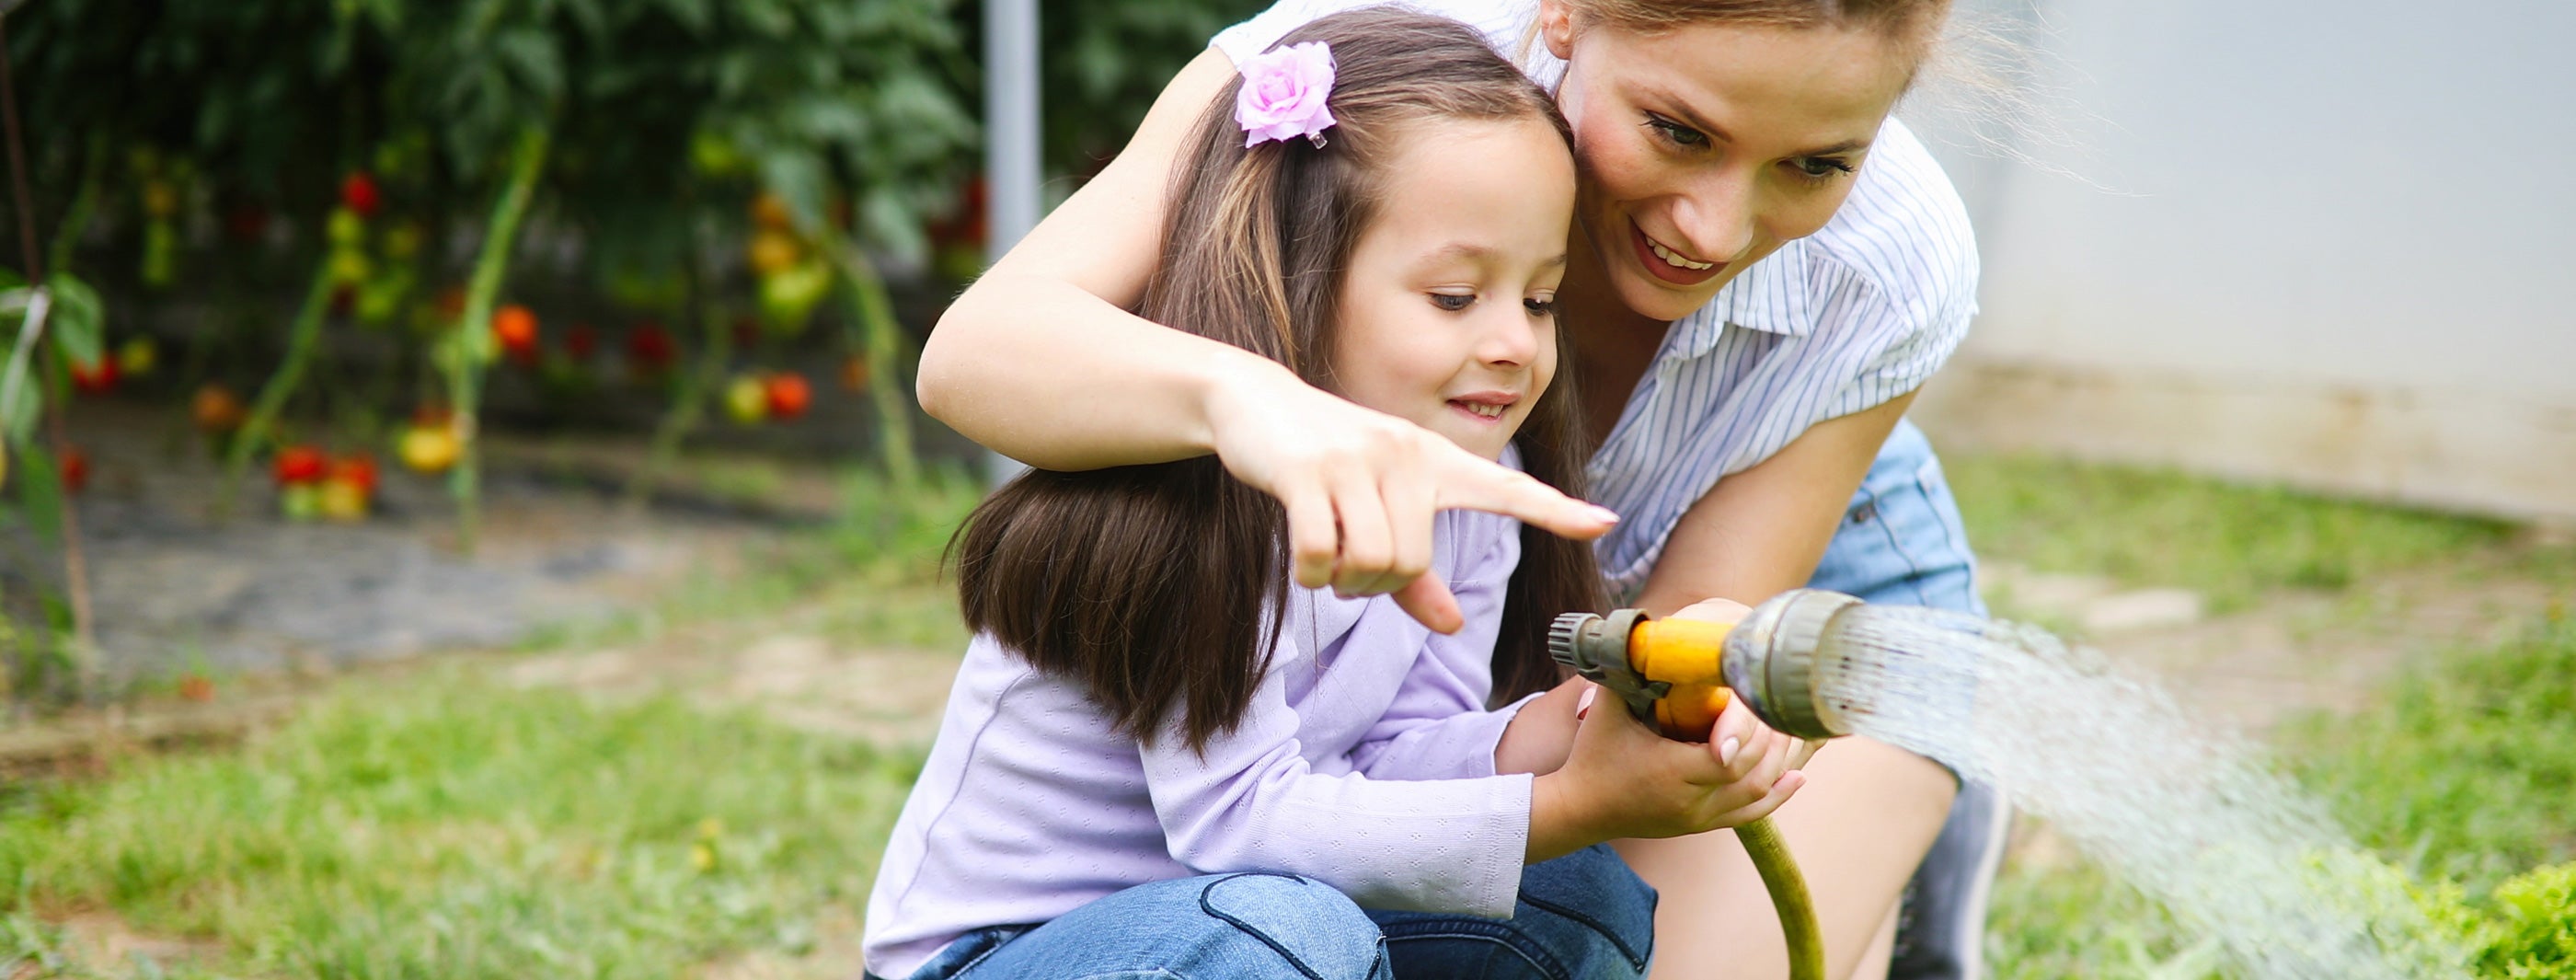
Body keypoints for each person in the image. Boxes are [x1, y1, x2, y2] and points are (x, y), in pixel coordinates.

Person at [914, 0, 2009, 975]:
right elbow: (977, 352)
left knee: (1595, 904)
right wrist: (1252, 407)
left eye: (1815, 164)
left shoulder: (1490, 487)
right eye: (1678, 132)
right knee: (1295, 934)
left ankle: (1890, 840)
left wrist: (1589, 727)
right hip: (1155, 914)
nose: (1715, 230)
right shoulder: (1368, 85)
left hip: (1801, 578)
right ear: (1568, 15)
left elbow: (1476, 730)